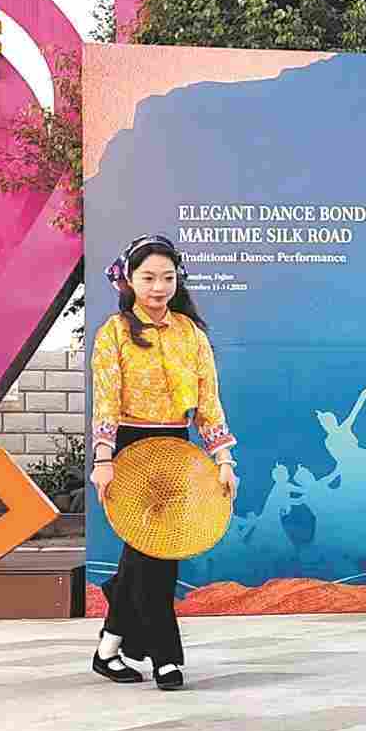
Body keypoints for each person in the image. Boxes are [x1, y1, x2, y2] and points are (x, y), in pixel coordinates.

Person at [89, 235, 239, 689]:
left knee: (156, 552)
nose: (158, 287)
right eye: (149, 277)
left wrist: (224, 458)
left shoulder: (191, 334)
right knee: (151, 553)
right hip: (128, 446)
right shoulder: (114, 333)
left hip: (176, 446)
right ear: (129, 280)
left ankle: (109, 647)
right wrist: (102, 458)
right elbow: (105, 400)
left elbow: (208, 402)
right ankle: (166, 658)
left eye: (167, 278)